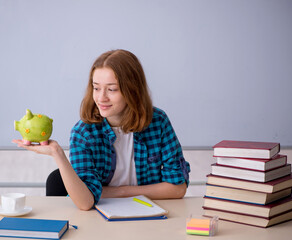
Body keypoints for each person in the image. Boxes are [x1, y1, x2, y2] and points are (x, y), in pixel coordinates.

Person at [13, 49, 190, 211]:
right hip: (98, 218)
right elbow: (85, 202)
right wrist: (57, 153)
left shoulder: (158, 122)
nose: (101, 97)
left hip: (148, 216)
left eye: (111, 89)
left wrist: (118, 192)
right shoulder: (83, 133)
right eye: (96, 88)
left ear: (133, 91)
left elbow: (177, 188)